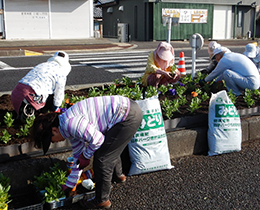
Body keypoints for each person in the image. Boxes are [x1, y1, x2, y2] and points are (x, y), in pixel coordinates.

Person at [31, 95, 143, 209]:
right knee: (109, 148)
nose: (53, 143)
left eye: (51, 140)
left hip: (127, 115)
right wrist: (69, 184)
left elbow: (98, 140)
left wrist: (86, 156)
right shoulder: (67, 127)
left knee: (102, 158)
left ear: (54, 130)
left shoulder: (71, 124)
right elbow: (77, 157)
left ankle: (101, 200)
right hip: (127, 110)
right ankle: (118, 175)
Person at [11, 51, 71, 123]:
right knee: (51, 97)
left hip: (16, 92)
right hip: (31, 95)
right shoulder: (60, 73)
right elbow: (59, 93)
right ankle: (33, 114)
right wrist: (56, 108)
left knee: (22, 117)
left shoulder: (42, 65)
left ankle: (22, 114)